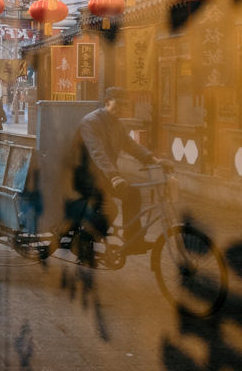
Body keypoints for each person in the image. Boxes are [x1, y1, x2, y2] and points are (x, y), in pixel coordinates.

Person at [66, 87, 173, 261]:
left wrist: (155, 160)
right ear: (107, 102)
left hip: (104, 175)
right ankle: (82, 243)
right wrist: (114, 175)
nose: (123, 108)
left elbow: (131, 146)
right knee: (109, 209)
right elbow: (97, 152)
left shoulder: (118, 124)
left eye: (126, 104)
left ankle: (134, 241)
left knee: (132, 194)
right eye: (119, 104)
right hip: (84, 176)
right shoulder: (91, 122)